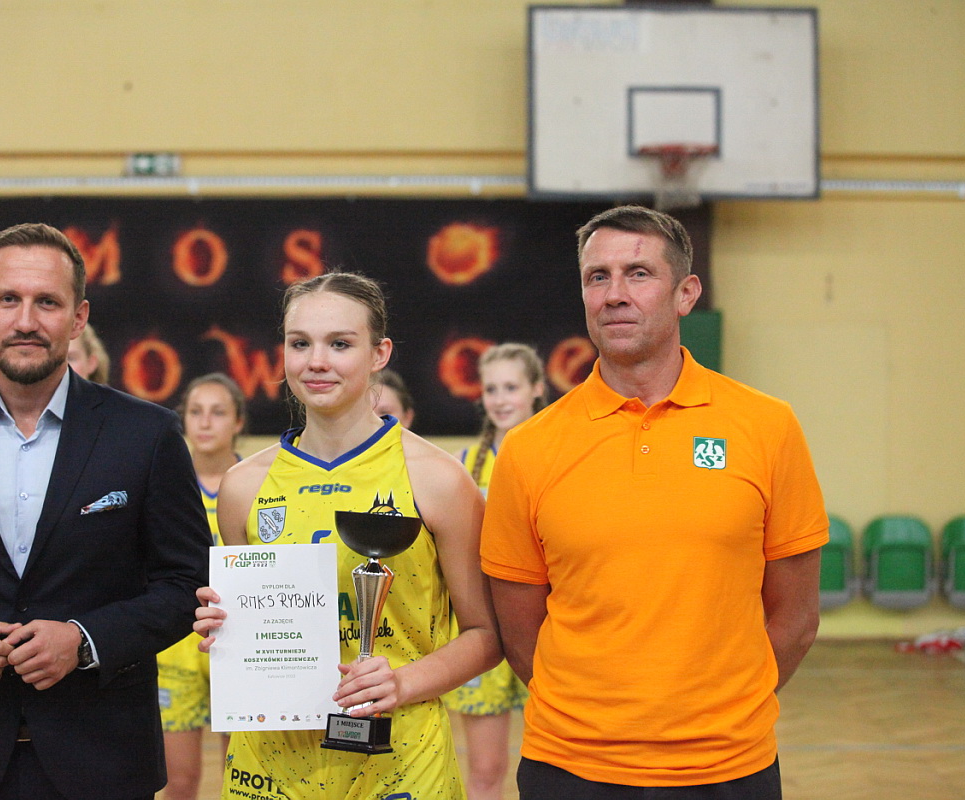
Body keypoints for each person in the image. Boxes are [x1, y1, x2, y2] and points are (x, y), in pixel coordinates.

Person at [481, 205, 827, 799]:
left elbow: (795, 618)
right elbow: (519, 632)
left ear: (685, 294)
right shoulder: (529, 448)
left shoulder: (768, 427)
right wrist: (598, 722)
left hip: (729, 766)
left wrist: (721, 714)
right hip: (570, 768)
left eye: (638, 274)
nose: (615, 294)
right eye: (598, 277)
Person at [0, 222, 211, 800]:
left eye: (47, 302)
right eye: (9, 300)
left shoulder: (146, 434)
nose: (26, 321)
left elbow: (186, 583)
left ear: (78, 318)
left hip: (105, 759)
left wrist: (85, 640)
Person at [195, 271, 501, 800]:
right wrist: (226, 629)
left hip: (401, 763)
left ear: (379, 353)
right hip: (270, 767)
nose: (317, 361)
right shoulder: (243, 487)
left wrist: (402, 681)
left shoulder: (438, 479)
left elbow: (486, 635)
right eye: (300, 344)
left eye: (340, 344)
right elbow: (251, 629)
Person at [445, 343, 546, 800]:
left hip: (548, 628)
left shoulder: (558, 454)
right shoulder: (463, 466)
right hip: (484, 630)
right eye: (491, 389)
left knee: (557, 766)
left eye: (511, 387)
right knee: (486, 770)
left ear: (536, 388)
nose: (501, 399)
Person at [157, 373, 245, 800]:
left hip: (239, 639)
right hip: (176, 645)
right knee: (179, 781)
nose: (205, 422)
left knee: (240, 780)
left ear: (238, 421)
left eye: (218, 412)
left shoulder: (257, 483)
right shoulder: (163, 482)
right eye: (195, 412)